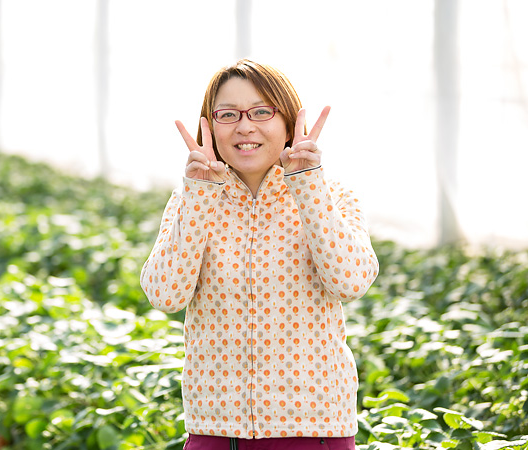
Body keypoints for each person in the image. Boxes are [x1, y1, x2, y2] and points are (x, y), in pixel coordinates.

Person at [140, 59, 379, 450]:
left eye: (261, 111)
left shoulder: (331, 195)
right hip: (217, 430)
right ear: (210, 125)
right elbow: (165, 295)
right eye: (228, 114)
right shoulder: (191, 198)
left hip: (315, 428)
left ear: (287, 121)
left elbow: (349, 281)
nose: (245, 126)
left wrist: (308, 185)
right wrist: (199, 195)